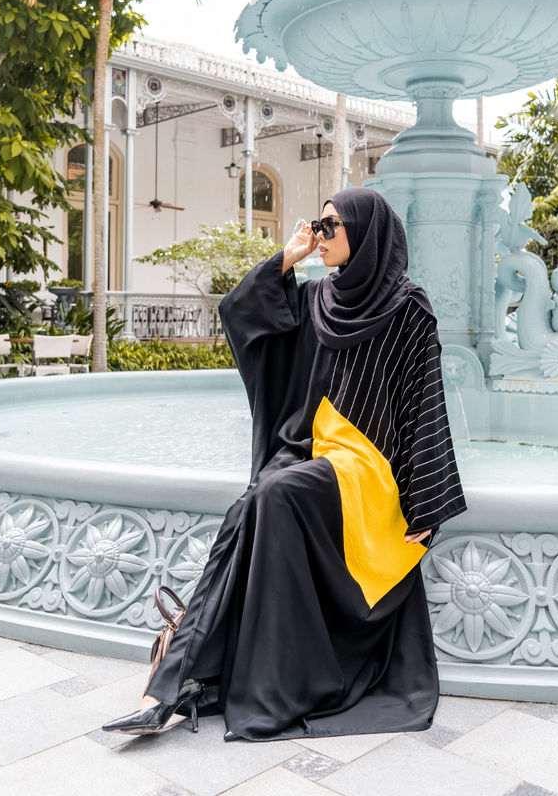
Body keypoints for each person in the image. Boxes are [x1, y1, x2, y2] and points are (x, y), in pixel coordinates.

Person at [103, 187, 466, 742]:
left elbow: (424, 405)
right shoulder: (318, 297)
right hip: (312, 452)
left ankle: (183, 676)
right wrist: (287, 259)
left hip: (366, 467)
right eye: (316, 226)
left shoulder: (407, 309)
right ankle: (168, 689)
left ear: (365, 235)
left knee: (273, 495)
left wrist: (428, 504)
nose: (319, 236)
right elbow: (243, 313)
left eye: (330, 228)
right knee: (252, 505)